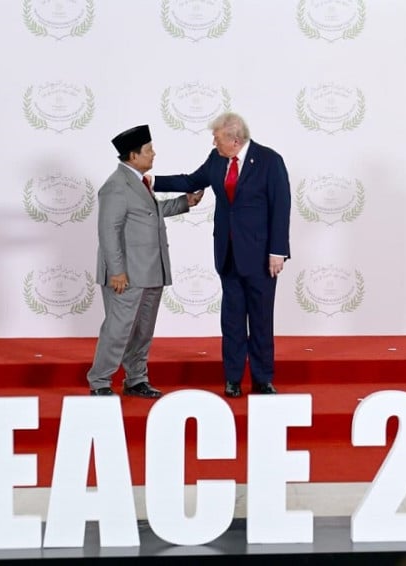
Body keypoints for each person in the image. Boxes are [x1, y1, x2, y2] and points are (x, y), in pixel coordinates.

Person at [153, 112, 291, 398]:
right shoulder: (217, 159)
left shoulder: (269, 161)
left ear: (235, 140)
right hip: (228, 254)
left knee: (261, 319)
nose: (213, 143)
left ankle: (263, 379)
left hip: (261, 256)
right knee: (232, 320)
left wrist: (278, 251)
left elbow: (281, 207)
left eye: (217, 138)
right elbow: (190, 181)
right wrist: (151, 181)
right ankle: (233, 378)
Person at [87, 124, 203, 397]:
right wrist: (117, 271)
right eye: (149, 150)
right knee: (118, 330)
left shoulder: (138, 182)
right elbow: (108, 231)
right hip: (126, 274)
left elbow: (150, 211)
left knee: (142, 331)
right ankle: (100, 381)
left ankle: (136, 379)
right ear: (133, 155)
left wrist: (185, 202)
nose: (154, 154)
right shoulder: (116, 186)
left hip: (150, 271)